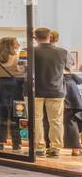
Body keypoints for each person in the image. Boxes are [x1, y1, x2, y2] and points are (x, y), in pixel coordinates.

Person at [31, 26, 69, 158]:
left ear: (35, 38)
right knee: (56, 121)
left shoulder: (29, 51)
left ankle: (39, 147)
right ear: (50, 36)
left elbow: (21, 69)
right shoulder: (63, 52)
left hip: (34, 91)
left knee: (36, 120)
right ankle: (55, 148)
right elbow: (69, 69)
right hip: (56, 90)